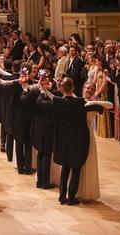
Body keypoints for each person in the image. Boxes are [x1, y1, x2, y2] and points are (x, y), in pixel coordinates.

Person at [39, 76, 91, 205]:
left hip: (63, 140)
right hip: (78, 140)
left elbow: (45, 101)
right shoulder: (80, 102)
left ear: (61, 88)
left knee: (65, 168)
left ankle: (62, 196)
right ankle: (71, 198)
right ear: (73, 88)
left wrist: (42, 90)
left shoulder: (58, 102)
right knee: (76, 169)